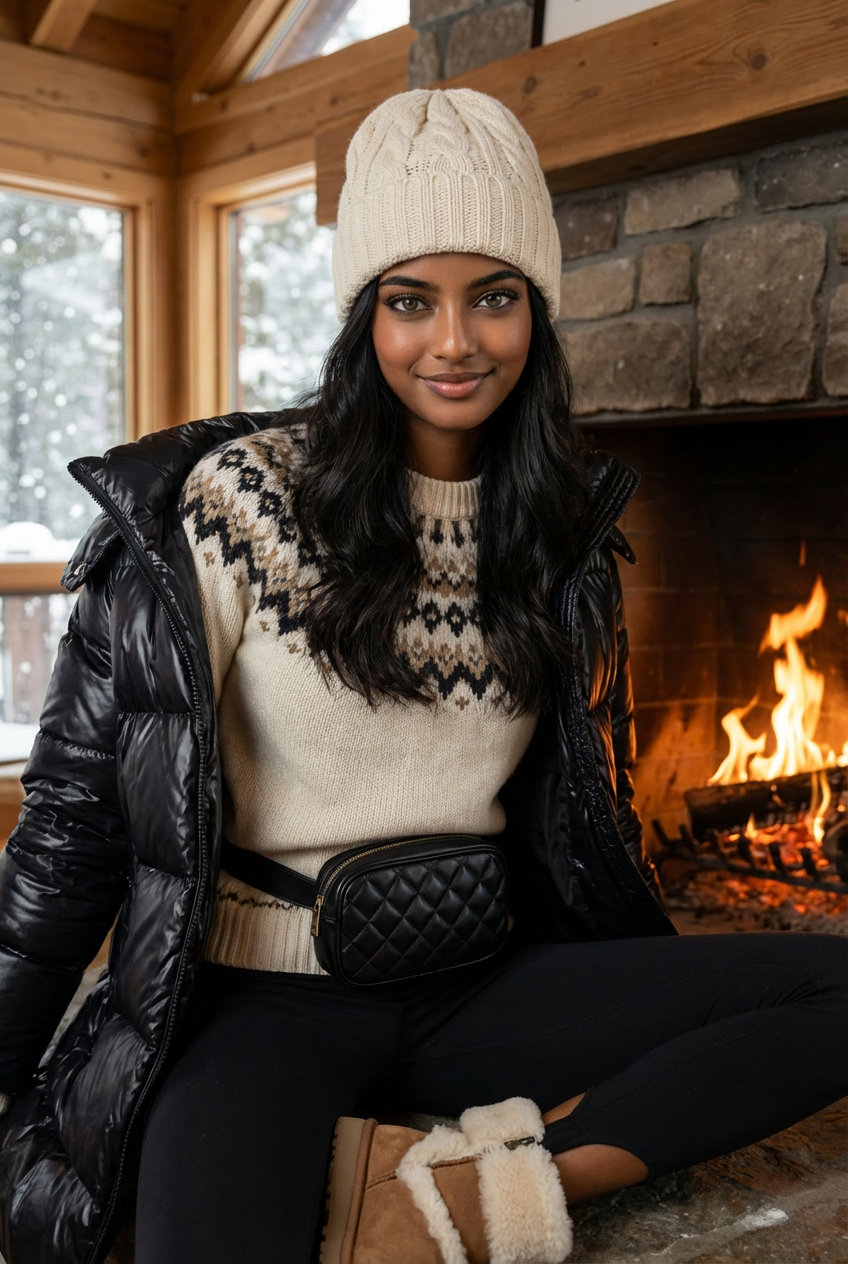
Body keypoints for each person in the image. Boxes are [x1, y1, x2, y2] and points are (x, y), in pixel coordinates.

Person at [0, 88, 844, 1264]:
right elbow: (73, 827)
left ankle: (473, 1195)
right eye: (410, 301)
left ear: (534, 315)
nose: (454, 342)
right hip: (262, 998)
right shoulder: (233, 505)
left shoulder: (557, 532)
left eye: (493, 298)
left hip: (475, 979)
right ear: (365, 317)